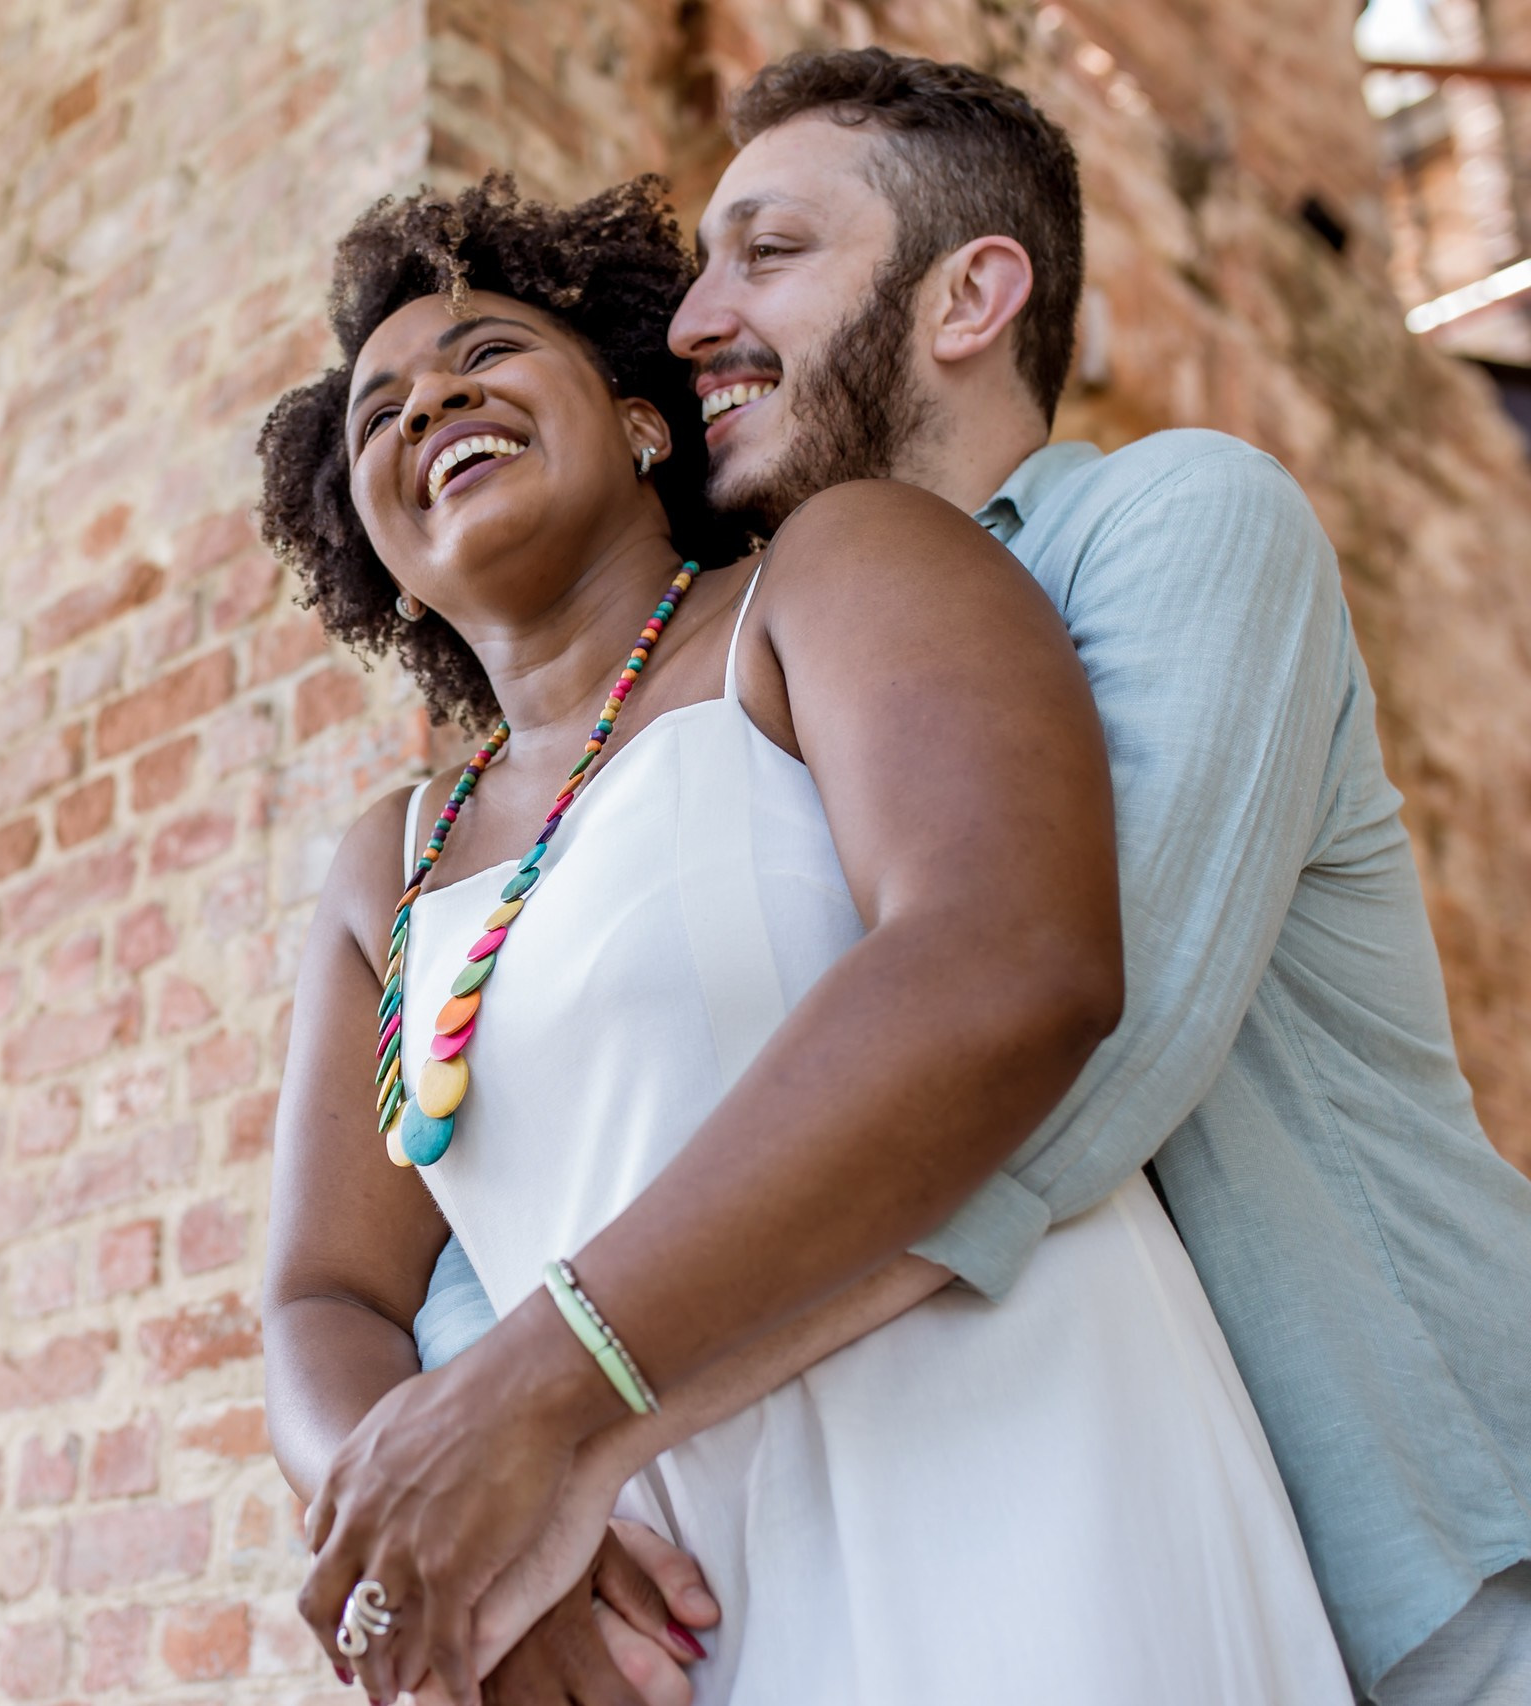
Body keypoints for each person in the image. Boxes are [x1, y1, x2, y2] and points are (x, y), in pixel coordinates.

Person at [308, 48, 1531, 1706]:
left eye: (769, 253)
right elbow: (445, 1251)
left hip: (1433, 1553)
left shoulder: (1180, 520)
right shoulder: (729, 700)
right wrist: (460, 1469)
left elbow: (1072, 1063)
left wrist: (559, 1419)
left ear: (972, 295)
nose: (691, 315)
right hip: (1012, 1540)